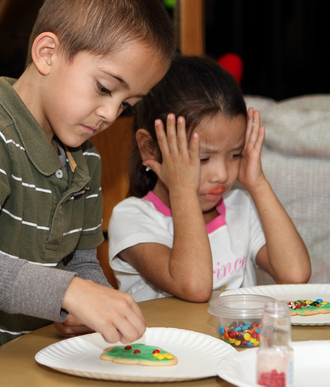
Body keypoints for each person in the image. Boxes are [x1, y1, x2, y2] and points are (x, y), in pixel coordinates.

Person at [0, 0, 176, 384]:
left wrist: (93, 310)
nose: (109, 114)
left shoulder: (85, 159)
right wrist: (72, 293)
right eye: (104, 88)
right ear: (47, 53)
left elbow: (82, 265)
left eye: (126, 105)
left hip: (40, 370)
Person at [108, 56, 311, 303]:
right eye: (203, 159)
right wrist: (183, 188)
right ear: (150, 148)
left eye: (235, 154)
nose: (222, 175)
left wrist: (258, 184)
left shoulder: (241, 207)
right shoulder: (133, 217)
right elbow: (194, 286)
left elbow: (295, 274)